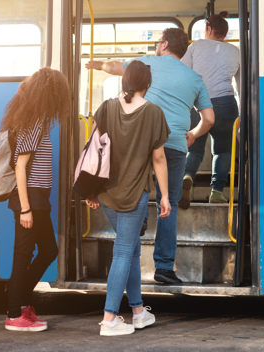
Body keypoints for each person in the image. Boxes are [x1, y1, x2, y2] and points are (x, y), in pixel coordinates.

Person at [86, 28, 215, 285]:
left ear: (164, 44)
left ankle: (139, 223)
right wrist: (192, 134)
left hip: (141, 141)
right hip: (176, 144)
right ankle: (165, 268)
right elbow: (209, 118)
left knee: (136, 192)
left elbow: (114, 67)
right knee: (171, 204)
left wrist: (96, 63)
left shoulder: (146, 64)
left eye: (158, 42)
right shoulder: (195, 78)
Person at [86, 61, 171, 336]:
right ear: (148, 83)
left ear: (124, 81)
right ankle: (109, 319)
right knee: (124, 250)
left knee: (131, 249)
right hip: (134, 194)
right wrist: (165, 196)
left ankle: (137, 312)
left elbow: (94, 151)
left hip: (107, 194)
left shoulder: (107, 108)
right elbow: (158, 158)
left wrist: (91, 190)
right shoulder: (154, 113)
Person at [2, 67, 71, 332]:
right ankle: (13, 314)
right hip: (29, 199)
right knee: (22, 255)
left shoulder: (37, 120)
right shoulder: (33, 122)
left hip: (37, 198)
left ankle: (18, 301)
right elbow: (20, 166)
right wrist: (26, 208)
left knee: (48, 251)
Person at [179, 11, 240, 208]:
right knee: (222, 151)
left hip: (198, 103)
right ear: (226, 33)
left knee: (195, 148)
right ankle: (216, 192)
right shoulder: (236, 51)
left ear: (208, 29)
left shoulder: (195, 46)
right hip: (226, 104)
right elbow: (241, 86)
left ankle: (187, 176)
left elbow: (183, 72)